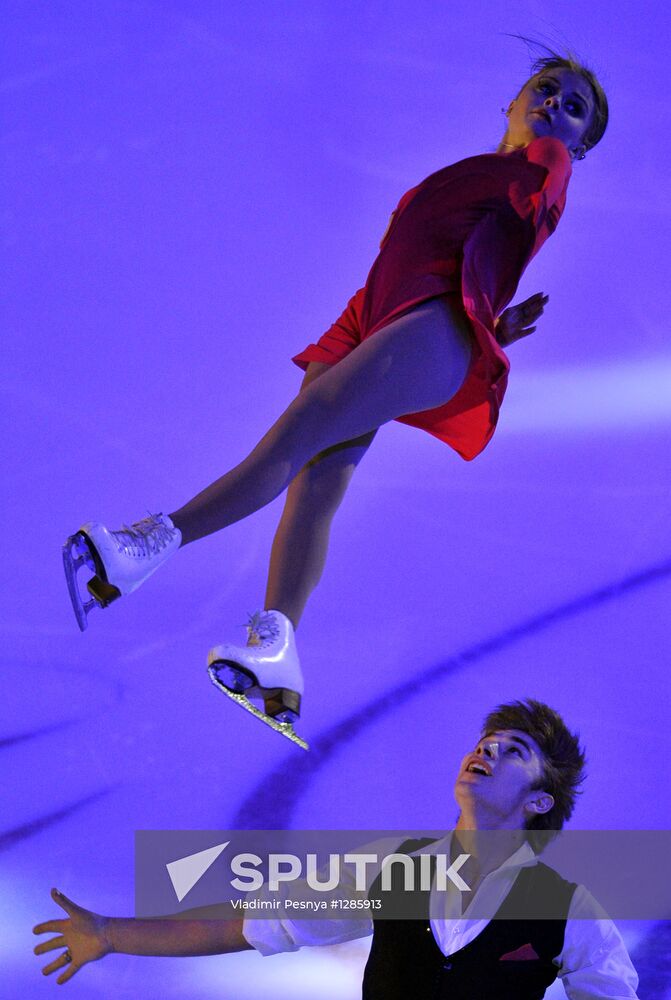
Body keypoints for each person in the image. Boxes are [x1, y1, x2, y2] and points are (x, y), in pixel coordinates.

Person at [62, 50, 609, 746]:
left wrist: (481, 317)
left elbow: (524, 224)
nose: (555, 105)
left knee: (295, 439)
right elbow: (446, 247)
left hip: (431, 326)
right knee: (314, 487)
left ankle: (144, 547)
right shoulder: (487, 171)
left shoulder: (544, 167)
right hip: (376, 317)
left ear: (581, 143)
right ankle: (273, 653)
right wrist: (478, 317)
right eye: (546, 90)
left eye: (574, 108)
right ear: (511, 99)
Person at [33, 699, 639, 997]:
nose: (486, 752)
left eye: (514, 752)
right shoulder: (391, 868)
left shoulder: (568, 910)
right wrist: (111, 933)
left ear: (539, 801)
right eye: (486, 741)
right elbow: (243, 926)